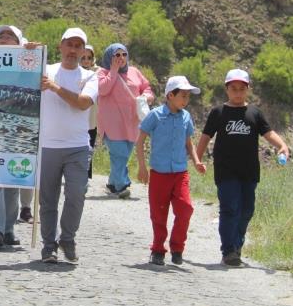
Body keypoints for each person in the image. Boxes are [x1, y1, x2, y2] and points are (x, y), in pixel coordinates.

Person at [196, 69, 290, 267]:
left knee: (246, 210)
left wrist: (282, 146)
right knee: (229, 208)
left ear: (247, 89)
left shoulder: (254, 113)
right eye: (233, 89)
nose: (237, 93)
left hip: (249, 171)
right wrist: (198, 158)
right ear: (227, 89)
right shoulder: (218, 112)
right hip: (226, 170)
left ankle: (237, 245)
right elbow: (205, 137)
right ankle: (228, 250)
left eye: (241, 89)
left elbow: (268, 133)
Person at [38, 27, 98, 263]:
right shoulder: (45, 69)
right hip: (48, 145)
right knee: (48, 200)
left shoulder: (90, 77)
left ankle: (68, 238)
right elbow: (19, 70)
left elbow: (83, 103)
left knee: (77, 194)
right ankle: (48, 246)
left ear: (84, 51)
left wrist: (54, 87)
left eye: (78, 46)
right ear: (60, 46)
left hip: (77, 146)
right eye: (69, 45)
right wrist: (27, 51)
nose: (73, 50)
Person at [135, 75, 205, 266]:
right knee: (158, 214)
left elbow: (188, 143)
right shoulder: (155, 115)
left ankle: (177, 247)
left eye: (188, 96)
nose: (186, 100)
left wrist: (197, 161)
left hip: (180, 173)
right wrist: (142, 167)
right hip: (159, 174)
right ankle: (158, 250)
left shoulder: (186, 117)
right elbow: (140, 141)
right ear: (170, 95)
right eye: (183, 95)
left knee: (186, 208)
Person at [0, 25, 34, 247]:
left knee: (13, 178)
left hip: (17, 129)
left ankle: (8, 228)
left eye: (9, 36)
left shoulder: (26, 64)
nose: (3, 38)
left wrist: (32, 52)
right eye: (1, 36)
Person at [97, 43, 155, 198]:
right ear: (110, 57)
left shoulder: (135, 72)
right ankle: (121, 186)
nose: (121, 58)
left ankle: (112, 183)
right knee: (120, 154)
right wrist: (113, 71)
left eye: (123, 54)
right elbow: (103, 89)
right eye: (117, 55)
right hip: (112, 124)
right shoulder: (102, 72)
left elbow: (147, 88)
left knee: (122, 156)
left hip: (131, 123)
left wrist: (147, 97)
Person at [80, 44, 99, 185]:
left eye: (89, 58)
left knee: (90, 145)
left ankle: (86, 175)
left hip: (92, 116)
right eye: (83, 57)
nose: (86, 61)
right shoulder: (75, 70)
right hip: (77, 115)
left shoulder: (98, 73)